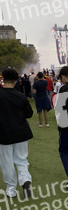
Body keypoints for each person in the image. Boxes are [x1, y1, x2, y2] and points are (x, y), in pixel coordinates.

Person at [0, 68, 33, 198]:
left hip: (3, 135)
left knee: (6, 162)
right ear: (16, 80)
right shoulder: (20, 96)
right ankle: (25, 180)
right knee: (21, 159)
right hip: (21, 133)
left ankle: (11, 189)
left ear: (3, 79)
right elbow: (29, 114)